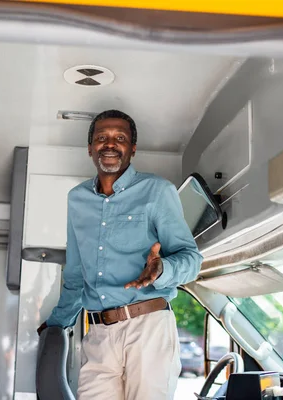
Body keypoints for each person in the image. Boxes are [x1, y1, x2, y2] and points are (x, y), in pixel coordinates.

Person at [37, 110, 203, 400]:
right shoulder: (77, 199)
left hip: (148, 327)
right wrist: (57, 324)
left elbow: (192, 260)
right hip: (99, 333)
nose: (110, 144)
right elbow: (76, 273)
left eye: (120, 138)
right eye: (102, 137)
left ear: (132, 148)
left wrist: (162, 269)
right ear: (90, 148)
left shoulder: (157, 191)